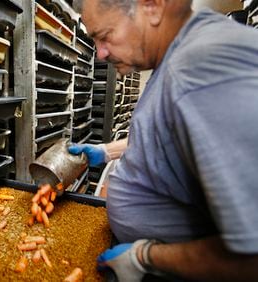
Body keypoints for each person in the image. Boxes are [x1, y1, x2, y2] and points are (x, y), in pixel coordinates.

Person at [68, 0, 258, 281]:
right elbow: (170, 139)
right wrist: (105, 150)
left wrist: (145, 258)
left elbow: (250, 257)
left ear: (153, 6)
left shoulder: (201, 70)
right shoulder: (177, 57)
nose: (100, 54)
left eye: (105, 36)